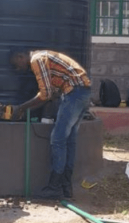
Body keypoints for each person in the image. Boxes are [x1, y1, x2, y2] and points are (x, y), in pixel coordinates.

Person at [9, 49, 91, 199]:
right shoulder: (45, 56)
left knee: (58, 139)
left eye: (16, 64)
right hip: (83, 92)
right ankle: (66, 188)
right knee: (69, 141)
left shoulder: (37, 59)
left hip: (74, 93)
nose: (17, 69)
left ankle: (54, 187)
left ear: (21, 56)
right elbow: (51, 93)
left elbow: (45, 94)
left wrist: (21, 107)